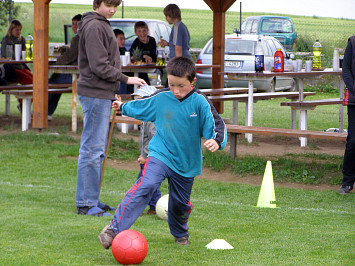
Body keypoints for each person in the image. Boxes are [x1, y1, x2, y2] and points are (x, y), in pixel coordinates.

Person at [98, 56, 227, 248]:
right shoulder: (162, 98)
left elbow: (216, 124)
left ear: (192, 81)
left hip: (186, 163)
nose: (175, 90)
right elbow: (142, 106)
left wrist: (216, 141)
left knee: (180, 205)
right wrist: (123, 107)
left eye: (181, 86)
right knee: (146, 185)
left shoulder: (200, 102)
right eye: (171, 84)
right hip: (160, 154)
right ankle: (113, 230)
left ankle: (180, 234)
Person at [75, 0, 146, 217]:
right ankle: (86, 204)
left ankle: (91, 199)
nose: (113, 9)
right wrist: (127, 79)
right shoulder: (96, 25)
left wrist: (112, 89)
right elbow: (98, 65)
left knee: (97, 150)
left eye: (116, 5)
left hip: (101, 92)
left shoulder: (101, 22)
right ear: (98, 3)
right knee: (92, 149)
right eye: (109, 4)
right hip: (94, 93)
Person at [131, 85, 161, 215]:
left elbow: (155, 140)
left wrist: (146, 156)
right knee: (150, 184)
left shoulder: (151, 120)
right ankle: (155, 206)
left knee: (142, 184)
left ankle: (133, 206)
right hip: (147, 157)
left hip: (152, 158)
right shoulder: (145, 118)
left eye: (141, 102)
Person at [47, 14, 82, 120]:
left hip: (77, 74)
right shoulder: (84, 37)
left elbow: (70, 56)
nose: (75, 26)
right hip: (81, 72)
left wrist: (56, 62)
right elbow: (74, 53)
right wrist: (66, 49)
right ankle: (47, 112)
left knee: (52, 83)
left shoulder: (78, 38)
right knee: (56, 83)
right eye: (73, 24)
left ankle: (42, 110)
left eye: (78, 24)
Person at [1, 19, 33, 111]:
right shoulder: (6, 41)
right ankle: (23, 104)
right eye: (16, 30)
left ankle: (23, 104)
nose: (19, 32)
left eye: (20, 30)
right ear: (11, 30)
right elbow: (5, 57)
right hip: (12, 68)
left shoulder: (22, 39)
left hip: (22, 66)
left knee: (37, 82)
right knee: (31, 83)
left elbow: (26, 54)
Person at [339, 35, 355, 194]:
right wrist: (353, 88)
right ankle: (347, 182)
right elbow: (346, 70)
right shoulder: (353, 42)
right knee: (353, 142)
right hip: (354, 102)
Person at [129, 21, 157, 85]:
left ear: (147, 31)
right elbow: (132, 55)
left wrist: (150, 58)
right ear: (136, 33)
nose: (142, 33)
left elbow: (154, 55)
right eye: (139, 31)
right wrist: (144, 56)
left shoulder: (152, 40)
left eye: (144, 30)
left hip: (152, 67)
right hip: (140, 69)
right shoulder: (136, 43)